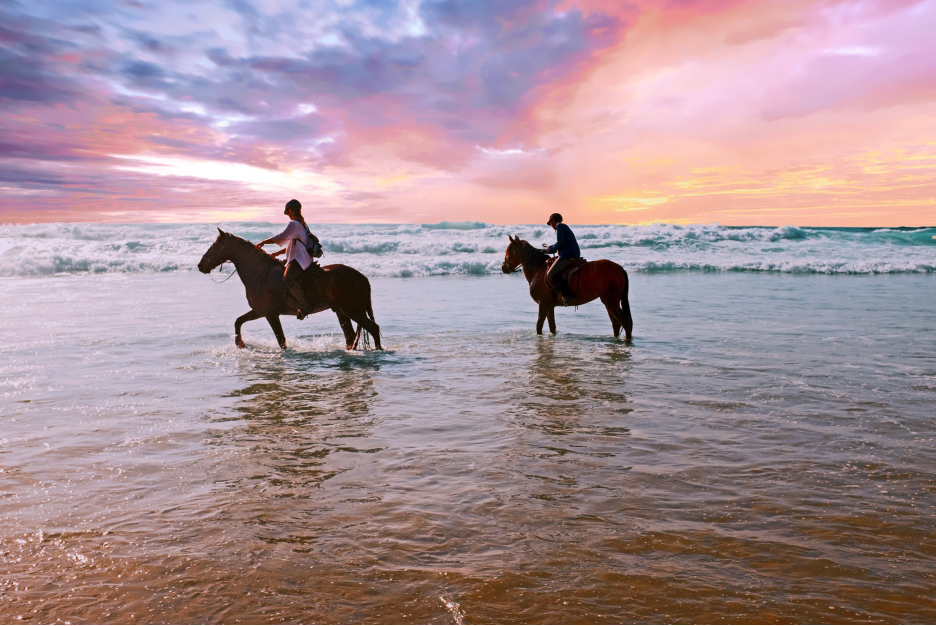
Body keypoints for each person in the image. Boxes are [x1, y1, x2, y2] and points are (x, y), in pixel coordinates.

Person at [255, 199, 318, 320]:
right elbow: (293, 244)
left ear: (290, 210)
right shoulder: (303, 224)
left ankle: (304, 305)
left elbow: (282, 237)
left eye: (288, 213)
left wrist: (264, 242)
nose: (288, 215)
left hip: (299, 260)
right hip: (302, 258)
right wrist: (277, 253)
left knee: (287, 279)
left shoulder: (294, 224)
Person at [544, 212, 581, 304]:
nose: (551, 226)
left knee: (550, 274)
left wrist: (549, 249)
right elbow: (561, 243)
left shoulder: (559, 226)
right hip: (571, 253)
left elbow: (560, 243)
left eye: (551, 224)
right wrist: (551, 248)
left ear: (553, 221)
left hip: (567, 255)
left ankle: (567, 295)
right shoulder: (563, 226)